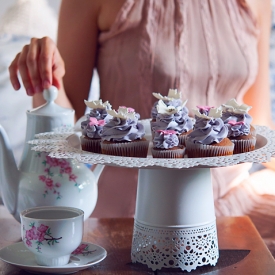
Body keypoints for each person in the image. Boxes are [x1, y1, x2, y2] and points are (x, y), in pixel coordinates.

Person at [8, 0, 275, 255]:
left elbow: (259, 124)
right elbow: (66, 129)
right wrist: (46, 77)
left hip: (233, 205)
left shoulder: (257, 2)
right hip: (133, 217)